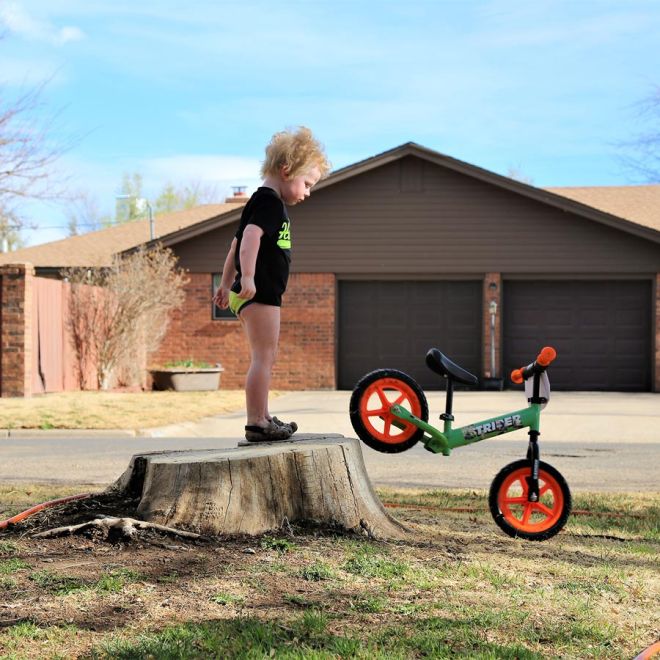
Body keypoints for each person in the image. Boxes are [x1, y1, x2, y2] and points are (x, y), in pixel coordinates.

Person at [213, 127, 330, 442]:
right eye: (306, 184)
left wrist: (226, 284)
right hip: (260, 293)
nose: (307, 193)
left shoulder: (260, 201)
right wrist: (247, 278)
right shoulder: (270, 203)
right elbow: (249, 238)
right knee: (263, 356)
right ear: (286, 170)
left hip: (255, 292)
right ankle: (256, 422)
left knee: (266, 355)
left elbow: (235, 243)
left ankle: (263, 416)